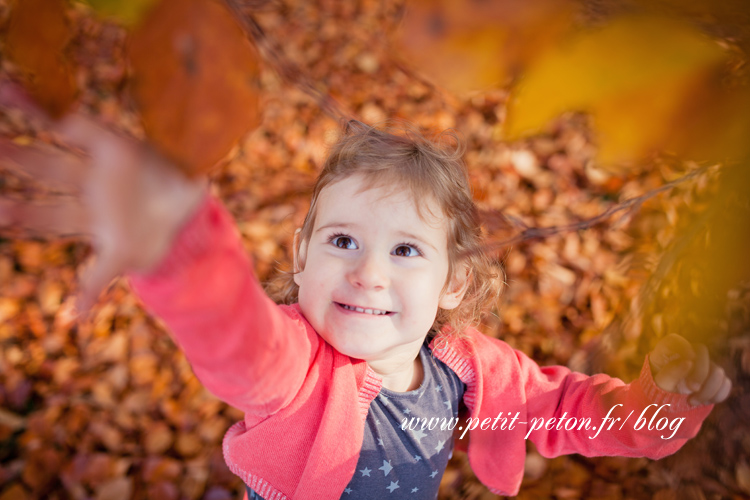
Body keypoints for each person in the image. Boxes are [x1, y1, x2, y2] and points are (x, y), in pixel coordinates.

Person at [0, 84, 732, 499]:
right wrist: (180, 248)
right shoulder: (294, 370)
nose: (368, 274)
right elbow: (237, 341)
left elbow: (577, 415)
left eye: (406, 250)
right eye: (342, 240)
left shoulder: (471, 369)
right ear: (302, 254)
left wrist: (662, 405)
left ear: (455, 282)